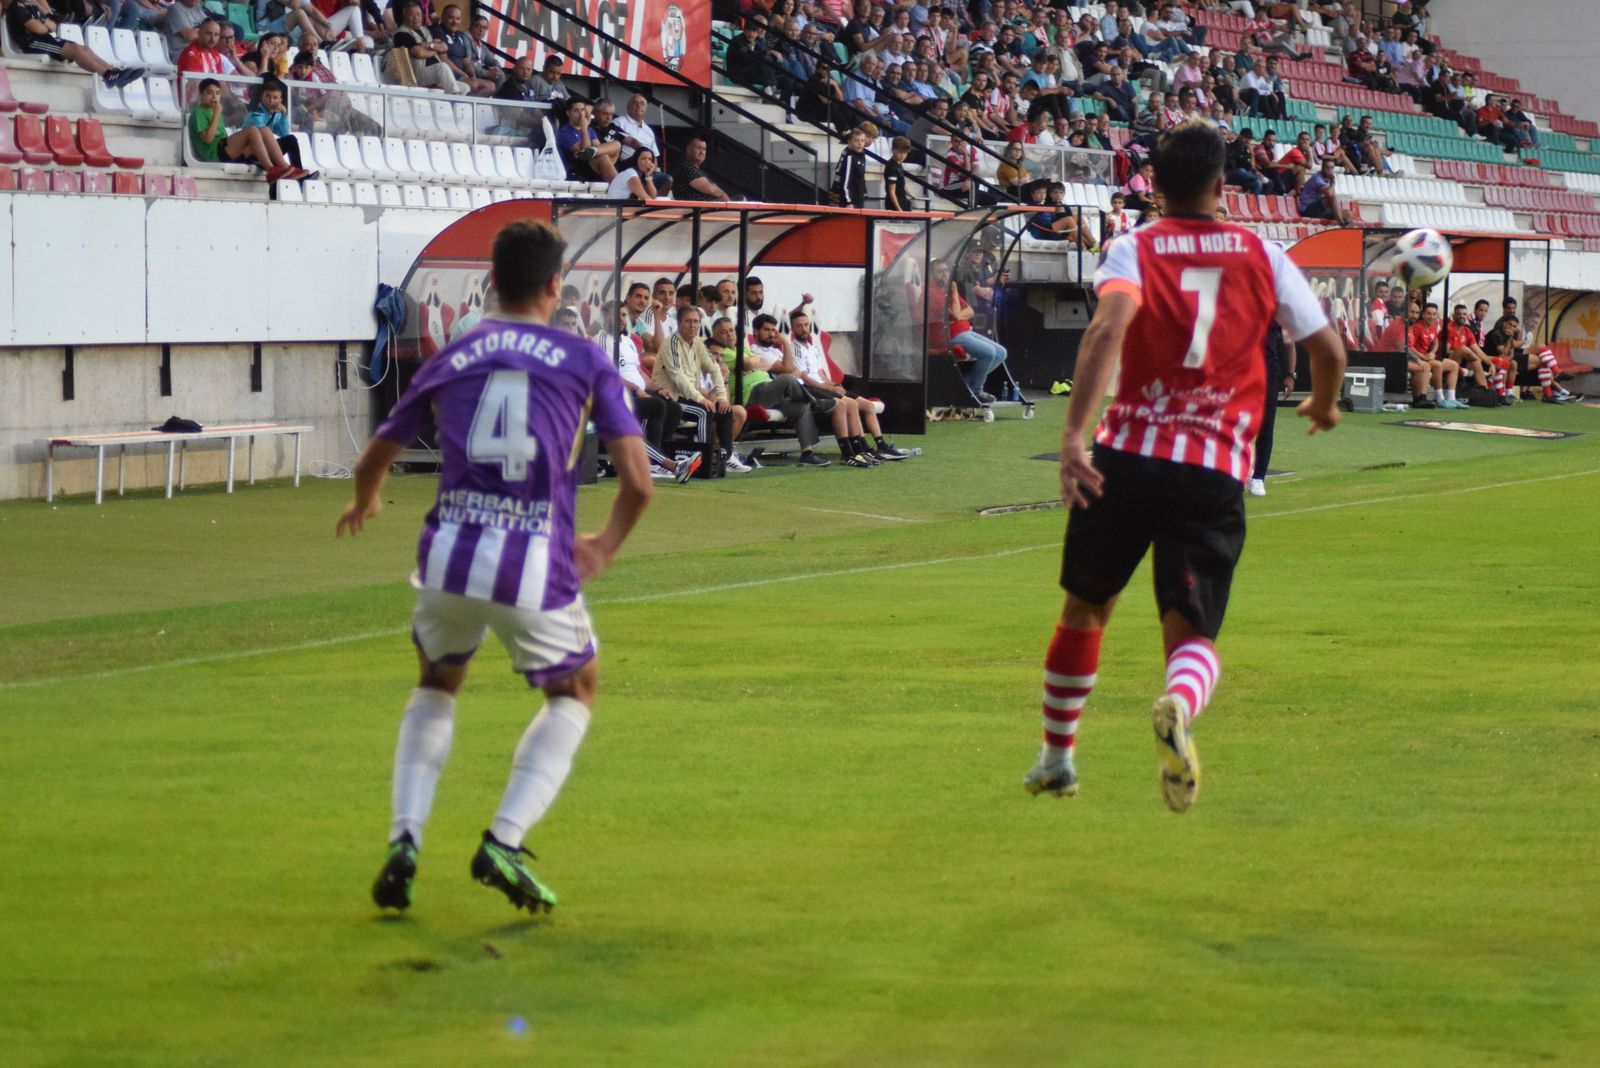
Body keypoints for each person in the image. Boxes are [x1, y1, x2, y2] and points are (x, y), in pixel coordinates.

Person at [1024, 120, 1345, 812]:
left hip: (1125, 455)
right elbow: (1328, 350)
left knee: (1085, 610)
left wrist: (1075, 435)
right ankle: (1178, 701)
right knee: (1193, 632)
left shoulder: (1132, 247)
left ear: (1155, 187)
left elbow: (1107, 330)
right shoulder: (1263, 253)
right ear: (1221, 185)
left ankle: (1057, 758)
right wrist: (1322, 405)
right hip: (1211, 467)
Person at [347, 221, 653, 915]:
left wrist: (366, 502)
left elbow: (375, 456)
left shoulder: (454, 354)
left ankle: (404, 839)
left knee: (437, 681)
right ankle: (504, 841)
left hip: (448, 555)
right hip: (531, 561)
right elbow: (639, 483)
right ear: (555, 287)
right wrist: (603, 547)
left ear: (490, 284)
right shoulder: (583, 359)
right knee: (576, 689)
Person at [789, 309, 910, 463]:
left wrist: (835, 385)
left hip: (824, 387)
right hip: (813, 390)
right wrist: (831, 389)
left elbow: (821, 375)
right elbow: (806, 379)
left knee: (867, 405)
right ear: (793, 329)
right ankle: (855, 450)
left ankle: (880, 445)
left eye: (806, 325)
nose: (804, 329)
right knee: (850, 404)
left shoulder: (812, 349)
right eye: (799, 326)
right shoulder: (795, 348)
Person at [652, 307, 743, 471]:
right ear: (679, 323)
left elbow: (714, 367)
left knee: (724, 410)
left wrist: (721, 397)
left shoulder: (698, 343)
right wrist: (701, 399)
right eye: (688, 321)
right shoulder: (671, 343)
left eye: (695, 321)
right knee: (703, 411)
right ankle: (703, 459)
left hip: (689, 397)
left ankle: (726, 457)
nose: (692, 325)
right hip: (670, 397)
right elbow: (678, 377)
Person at [5, 0, 145, 87]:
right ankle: (108, 76)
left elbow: (53, 25)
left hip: (45, 39)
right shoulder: (16, 6)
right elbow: (39, 29)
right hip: (32, 43)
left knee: (83, 48)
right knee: (75, 50)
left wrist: (45, 21)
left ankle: (114, 73)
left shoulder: (31, 5)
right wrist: (44, 22)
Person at [189, 78, 306, 181]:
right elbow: (208, 140)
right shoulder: (198, 112)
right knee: (253, 130)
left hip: (227, 151)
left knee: (265, 130)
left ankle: (284, 167)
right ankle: (271, 169)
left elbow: (284, 134)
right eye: (210, 93)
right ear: (201, 94)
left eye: (218, 93)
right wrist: (217, 113)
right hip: (215, 154)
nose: (214, 97)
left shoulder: (214, 111)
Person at [1248, 323, 1294, 497]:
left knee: (1266, 426)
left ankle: (1258, 477)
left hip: (1269, 375)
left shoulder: (1276, 312)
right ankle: (1242, 470)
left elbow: (1290, 343)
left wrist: (1290, 375)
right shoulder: (1242, 307)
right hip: (1241, 374)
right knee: (1238, 424)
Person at [1409, 302, 1466, 408]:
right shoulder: (1417, 327)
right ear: (1423, 315)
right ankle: (1440, 399)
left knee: (1454, 365)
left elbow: (1435, 341)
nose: (1432, 317)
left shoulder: (1434, 326)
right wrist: (1423, 356)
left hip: (1428, 357)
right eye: (1429, 314)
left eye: (1434, 314)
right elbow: (1410, 347)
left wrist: (1433, 352)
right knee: (1437, 365)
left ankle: (1451, 398)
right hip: (1419, 359)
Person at [671, 135, 731, 202]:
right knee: (740, 201)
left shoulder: (697, 170)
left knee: (740, 198)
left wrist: (725, 198)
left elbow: (715, 189)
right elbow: (711, 190)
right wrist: (722, 194)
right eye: (698, 148)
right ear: (688, 150)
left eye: (704, 149)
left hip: (709, 207)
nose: (702, 152)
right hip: (694, 209)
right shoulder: (687, 168)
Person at [832, 125, 869, 207]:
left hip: (859, 198)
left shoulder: (862, 155)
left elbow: (861, 176)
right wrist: (848, 201)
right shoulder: (849, 157)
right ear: (849, 142)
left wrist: (864, 192)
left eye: (862, 141)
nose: (860, 143)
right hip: (850, 201)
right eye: (856, 141)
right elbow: (845, 181)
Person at [882, 135, 911, 211]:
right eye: (900, 152)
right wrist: (899, 209)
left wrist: (908, 193)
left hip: (902, 200)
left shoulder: (898, 164)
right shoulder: (892, 167)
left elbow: (901, 183)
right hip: (895, 205)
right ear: (893, 150)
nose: (903, 155)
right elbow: (891, 192)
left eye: (905, 153)